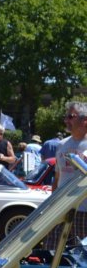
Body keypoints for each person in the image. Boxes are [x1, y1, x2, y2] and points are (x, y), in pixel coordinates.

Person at [49, 101, 87, 244]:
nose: (66, 120)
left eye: (70, 117)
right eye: (66, 117)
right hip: (60, 209)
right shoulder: (61, 145)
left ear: (85, 120)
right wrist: (52, 204)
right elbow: (57, 177)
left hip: (83, 211)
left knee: (82, 253)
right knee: (52, 249)